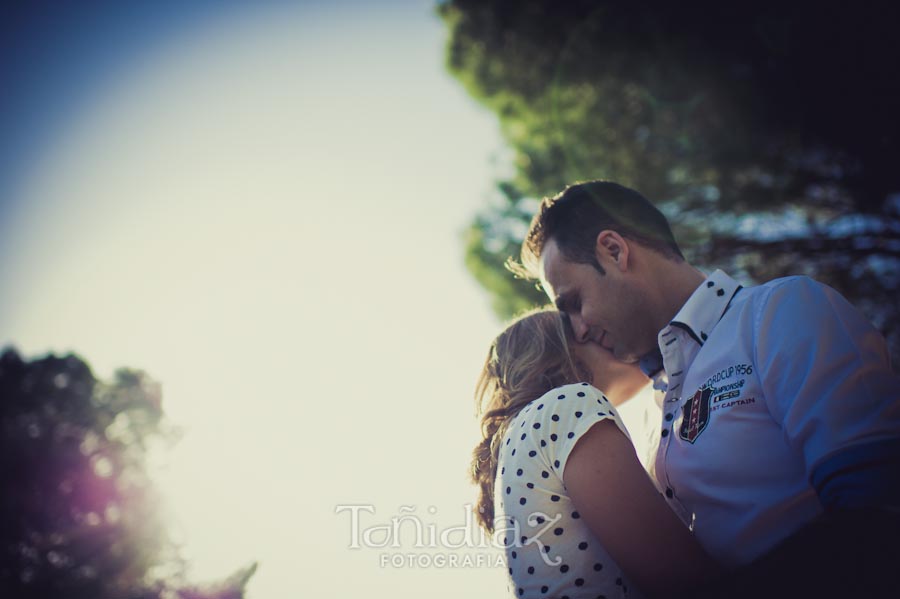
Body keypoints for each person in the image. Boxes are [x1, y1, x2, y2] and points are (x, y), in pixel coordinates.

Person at [511, 180, 900, 597]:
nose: (578, 330)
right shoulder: (642, 419)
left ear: (614, 250)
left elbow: (878, 514)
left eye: (573, 303)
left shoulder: (782, 313)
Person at [472, 308, 722, 598]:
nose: (603, 332)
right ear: (562, 348)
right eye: (585, 328)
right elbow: (682, 578)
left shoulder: (518, 441)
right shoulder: (567, 406)